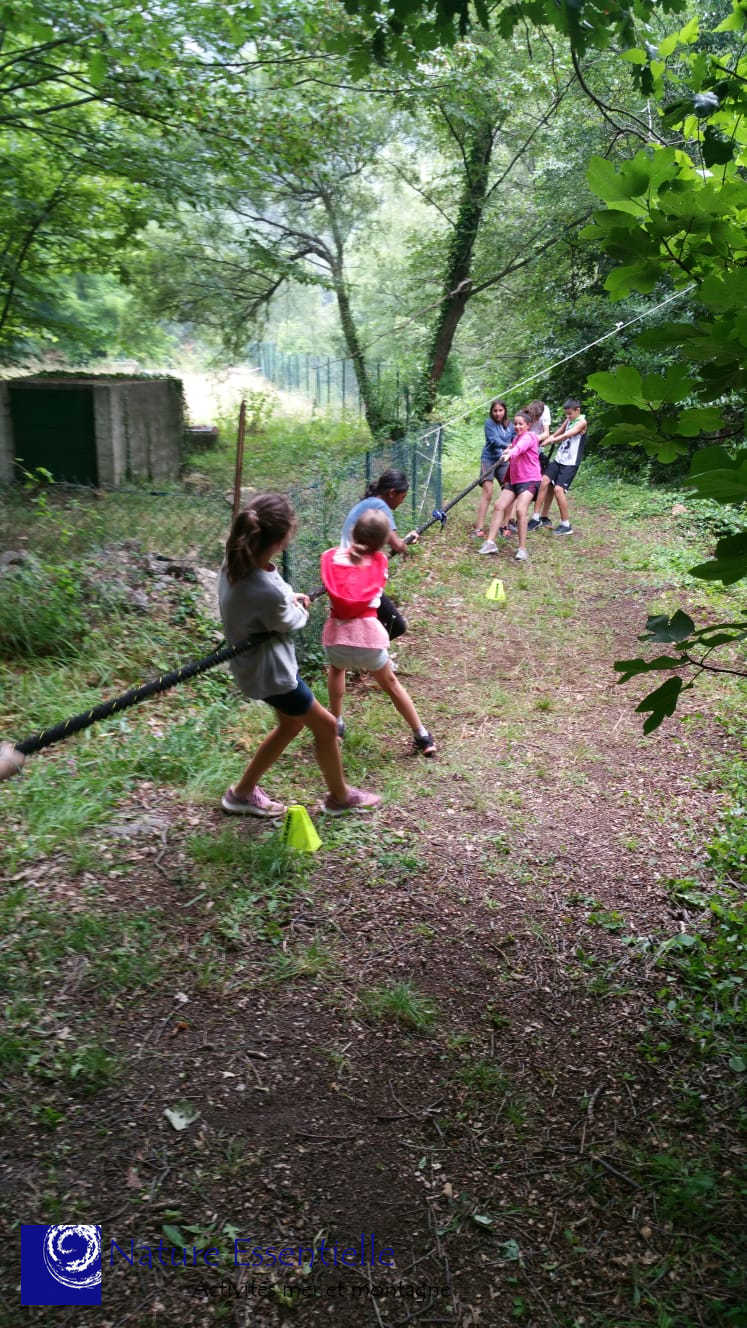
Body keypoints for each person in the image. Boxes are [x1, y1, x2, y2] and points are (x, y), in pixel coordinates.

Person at [218, 492, 381, 817]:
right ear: (281, 540)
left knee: (291, 725)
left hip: (255, 667)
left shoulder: (236, 562)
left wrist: (290, 597)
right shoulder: (264, 590)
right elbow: (290, 620)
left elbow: (272, 599)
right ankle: (340, 797)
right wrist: (298, 606)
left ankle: (242, 793)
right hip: (274, 675)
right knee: (327, 727)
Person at [321, 508, 436, 756]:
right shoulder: (380, 563)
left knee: (337, 669)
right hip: (369, 640)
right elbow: (375, 562)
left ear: (353, 532)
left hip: (337, 639)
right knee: (391, 683)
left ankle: (336, 723)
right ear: (382, 542)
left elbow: (336, 560)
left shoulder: (330, 558)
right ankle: (422, 735)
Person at [341, 468, 417, 641]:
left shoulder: (369, 502)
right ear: (392, 493)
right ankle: (370, 651)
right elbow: (396, 544)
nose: (402, 502)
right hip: (358, 574)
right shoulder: (380, 506)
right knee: (396, 626)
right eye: (402, 497)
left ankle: (368, 650)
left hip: (348, 569)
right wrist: (408, 541)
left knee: (375, 622)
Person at [477, 409, 541, 561]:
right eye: (516, 424)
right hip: (513, 480)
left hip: (529, 479)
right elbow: (515, 447)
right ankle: (490, 543)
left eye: (521, 424)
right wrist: (509, 450)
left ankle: (522, 549)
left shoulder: (530, 436)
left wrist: (511, 453)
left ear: (528, 425)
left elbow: (520, 448)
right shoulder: (516, 438)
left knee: (520, 510)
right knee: (499, 506)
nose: (517, 427)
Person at [528, 398, 587, 535]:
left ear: (577, 410)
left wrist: (551, 440)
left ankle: (566, 525)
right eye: (566, 414)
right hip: (559, 459)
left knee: (558, 490)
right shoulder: (569, 419)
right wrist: (550, 437)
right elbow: (561, 430)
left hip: (570, 463)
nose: (568, 416)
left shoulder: (582, 422)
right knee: (544, 481)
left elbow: (567, 434)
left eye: (570, 414)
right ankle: (536, 518)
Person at [473, 399, 514, 538]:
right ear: (491, 412)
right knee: (488, 492)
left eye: (500, 410)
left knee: (509, 490)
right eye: (495, 411)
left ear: (505, 411)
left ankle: (504, 525)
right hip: (489, 459)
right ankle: (478, 528)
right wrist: (508, 446)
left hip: (504, 461)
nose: (498, 413)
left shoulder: (510, 425)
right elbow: (493, 440)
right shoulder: (489, 423)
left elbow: (516, 439)